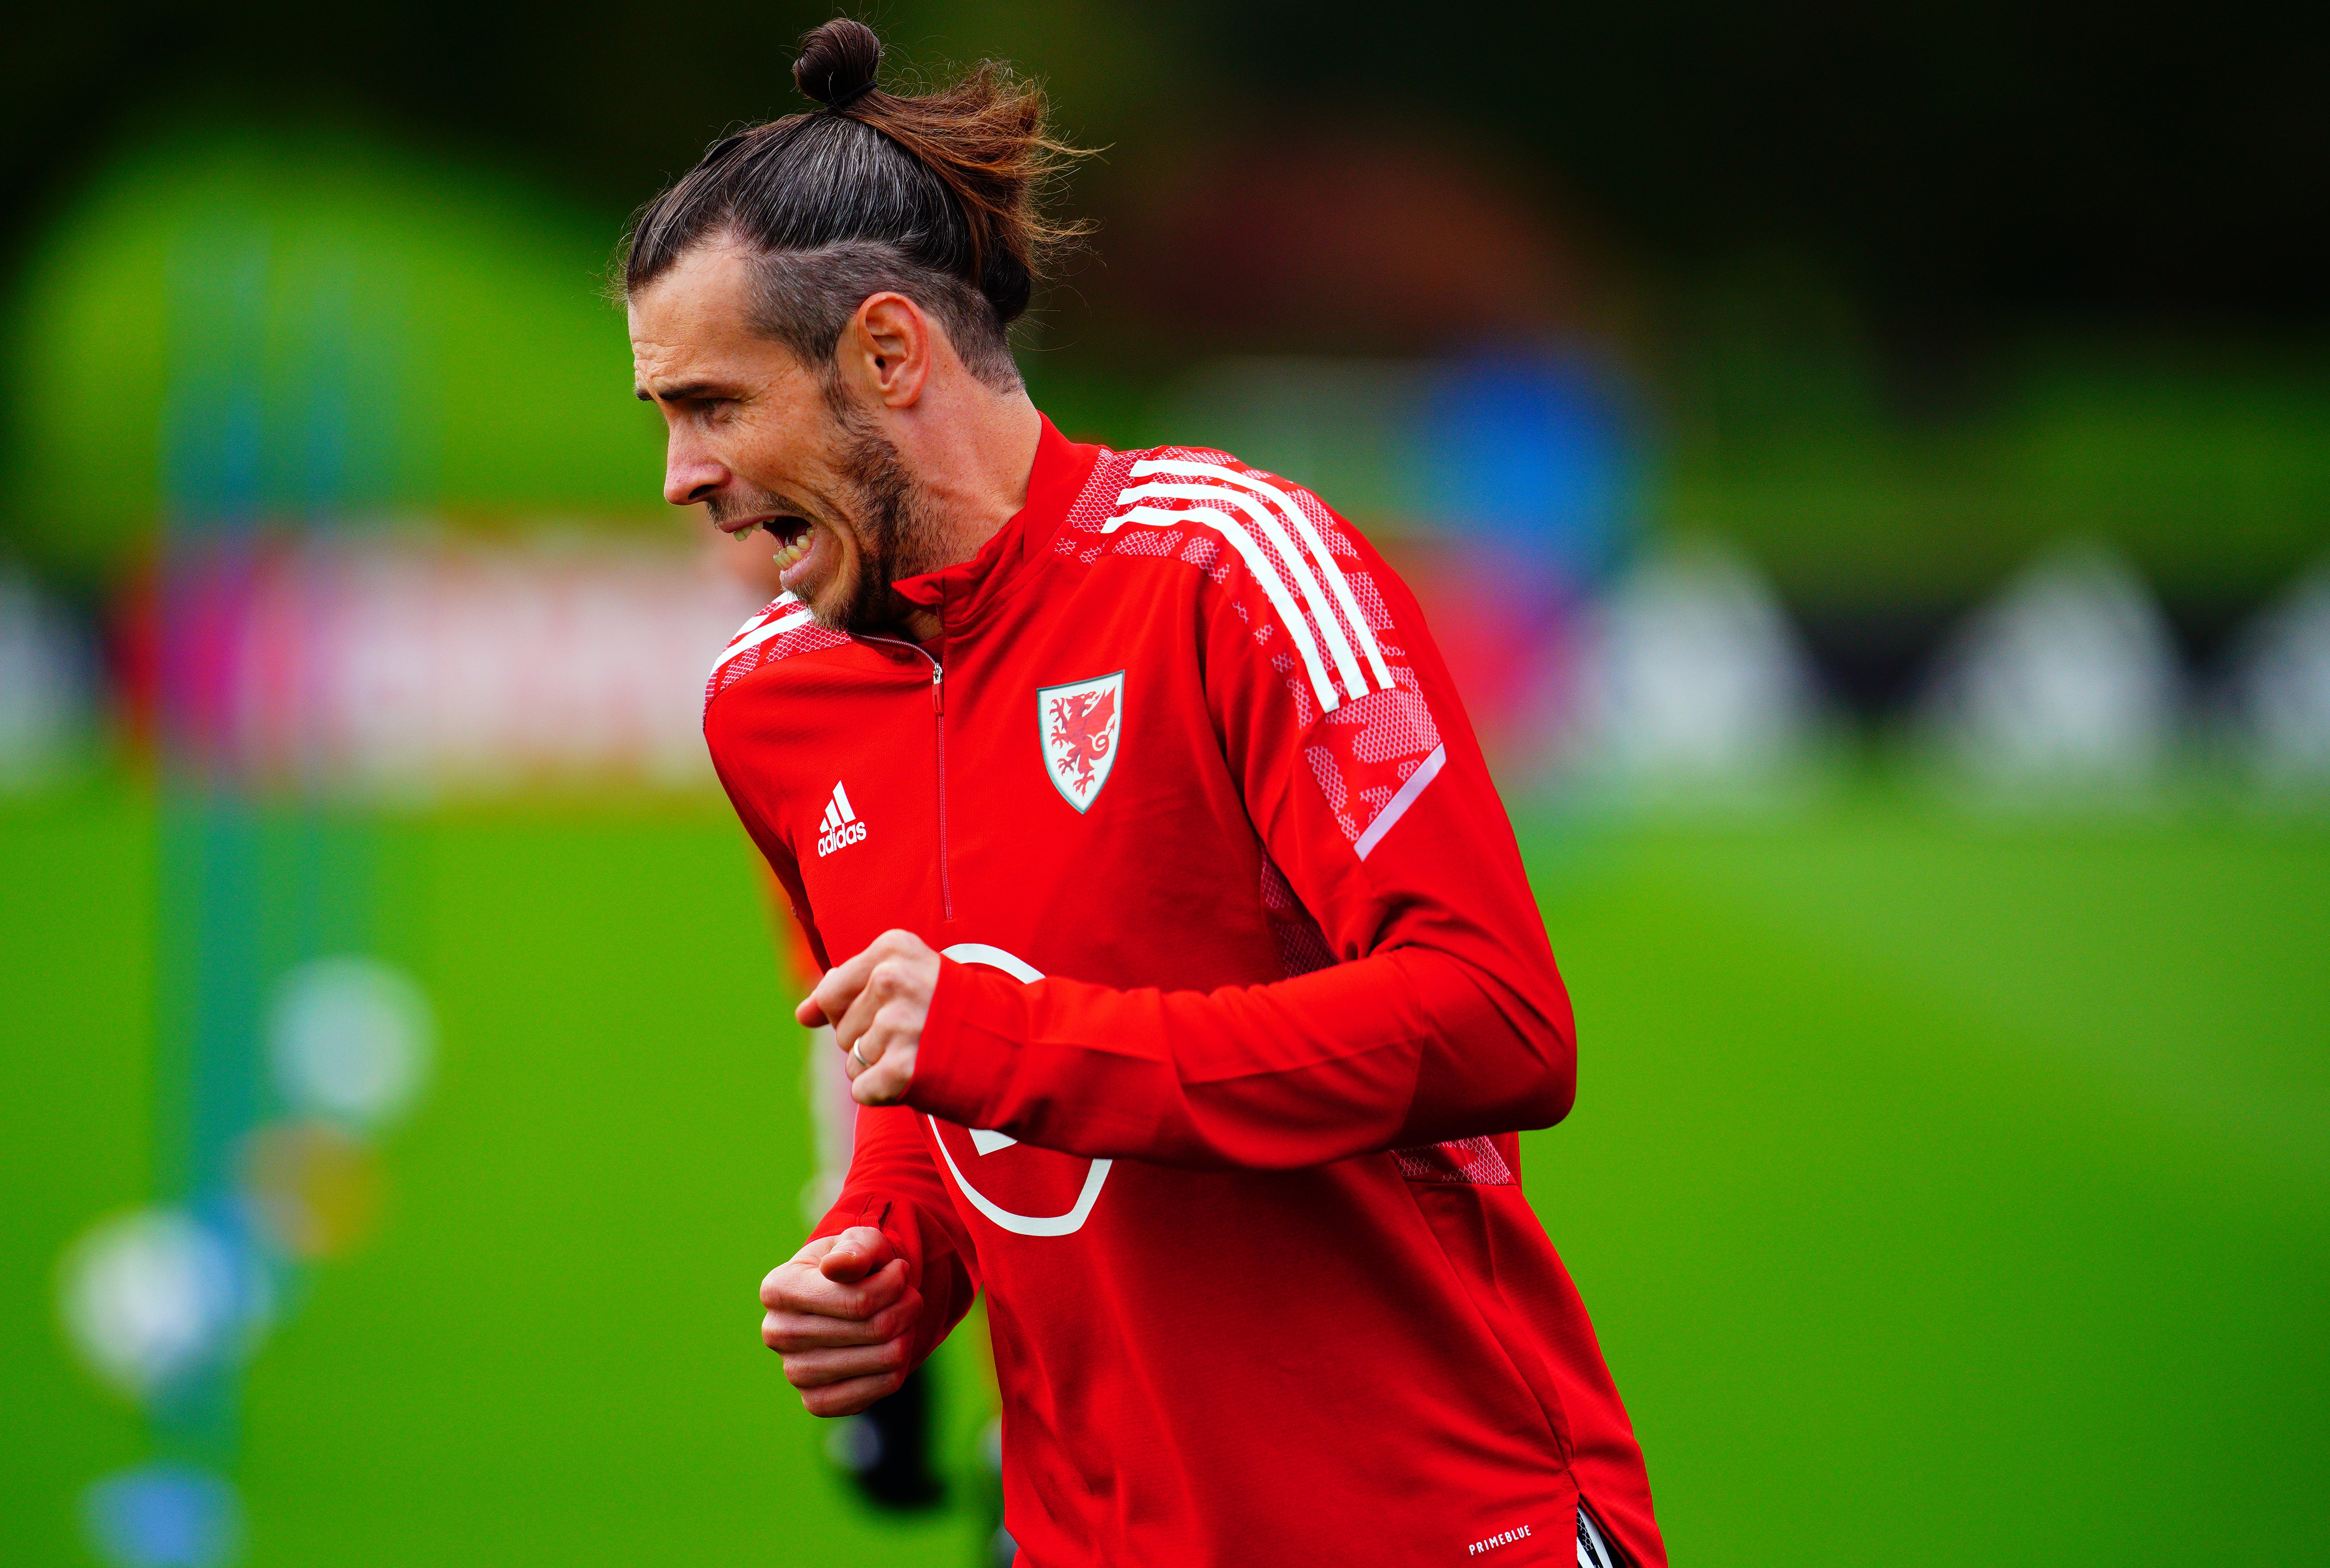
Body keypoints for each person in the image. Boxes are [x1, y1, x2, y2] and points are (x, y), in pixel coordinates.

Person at [625, 19, 1664, 1566]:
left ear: (889, 354)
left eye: (713, 405)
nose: (682, 476)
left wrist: (1010, 1042)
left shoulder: (1229, 572)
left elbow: (1494, 1020)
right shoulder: (768, 703)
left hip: (1433, 1522)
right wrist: (890, 1252)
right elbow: (945, 1077)